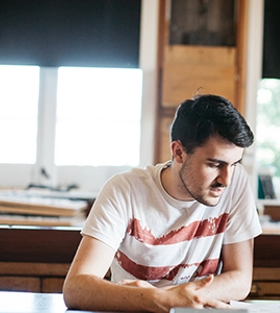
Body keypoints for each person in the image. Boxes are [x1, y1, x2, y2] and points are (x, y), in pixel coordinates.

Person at [63, 94, 262, 312]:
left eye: (234, 164)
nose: (226, 179)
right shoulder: (124, 190)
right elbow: (76, 288)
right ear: (178, 152)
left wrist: (164, 297)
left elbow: (241, 280)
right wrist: (161, 300)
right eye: (214, 164)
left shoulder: (236, 182)